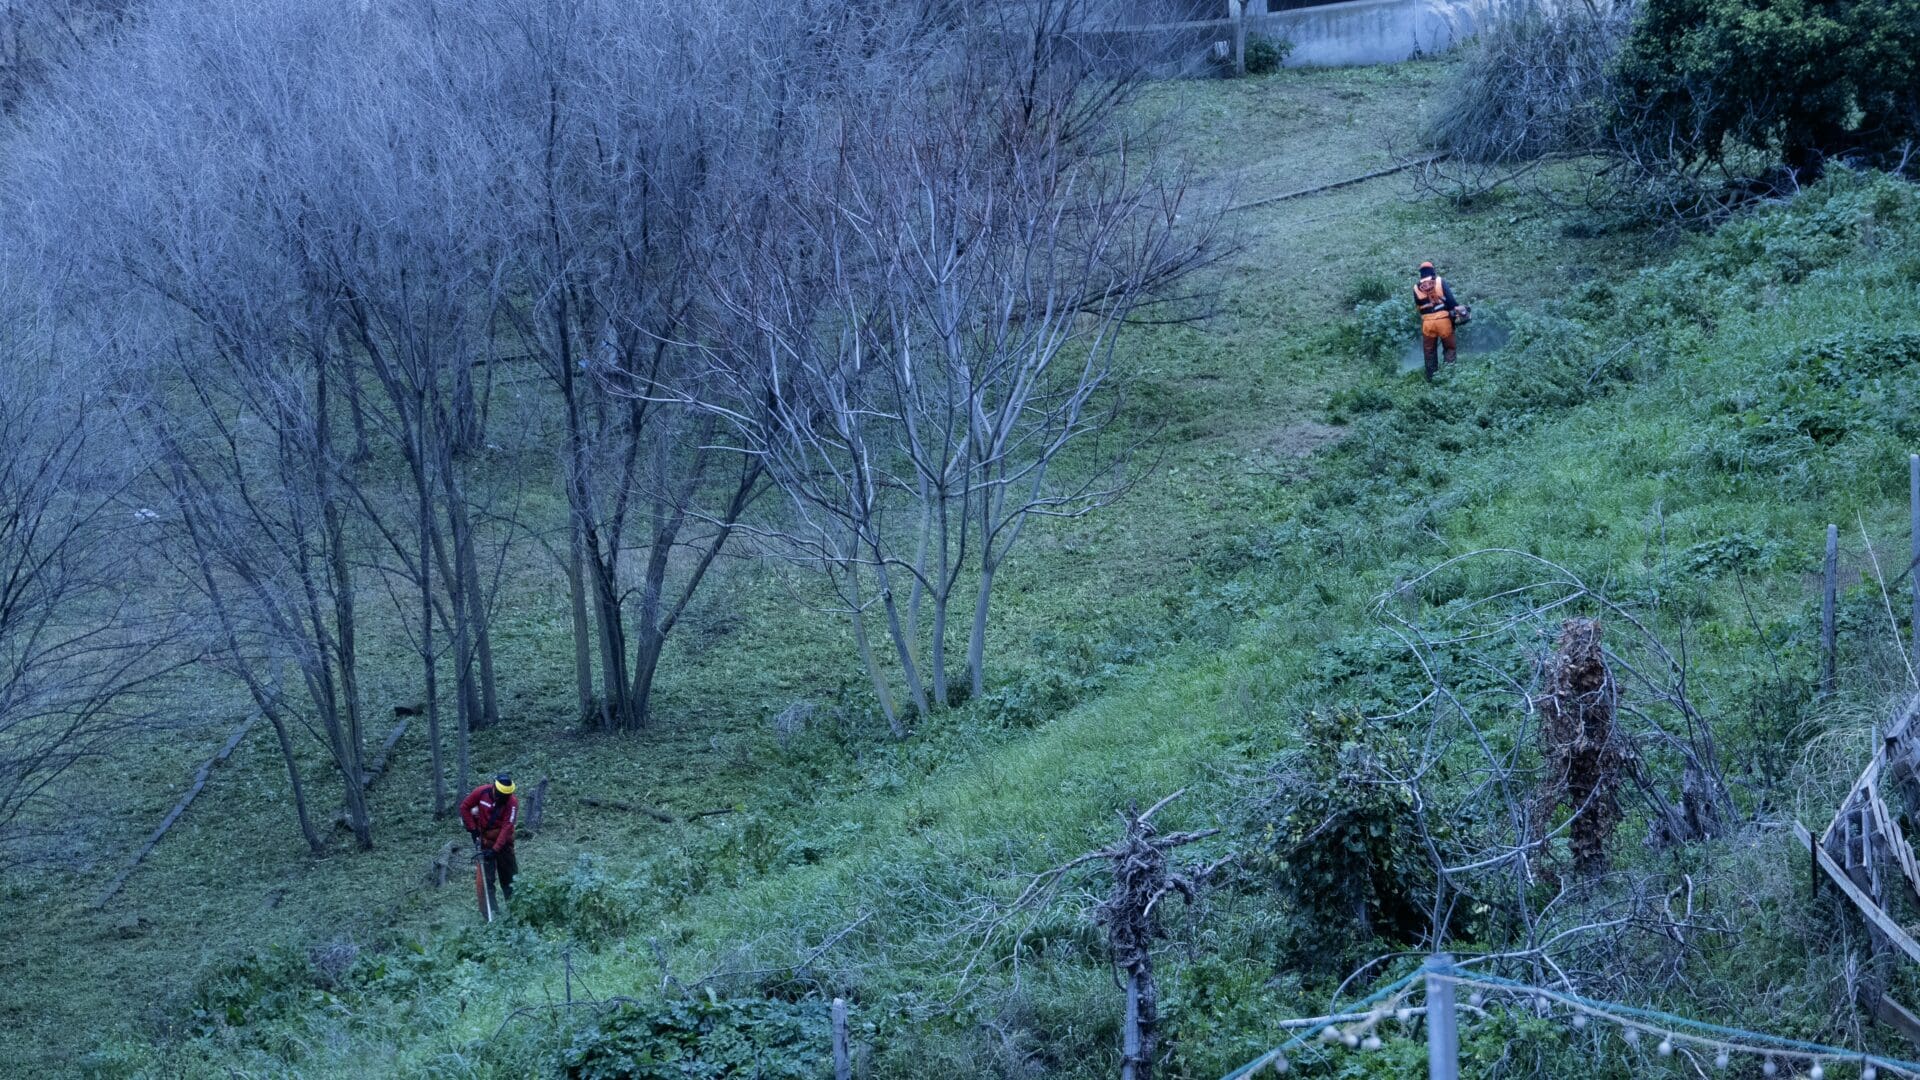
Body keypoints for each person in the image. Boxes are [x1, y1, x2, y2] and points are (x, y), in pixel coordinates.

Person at [459, 773, 519, 903]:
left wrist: (495, 849)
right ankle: (491, 914)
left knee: (510, 879)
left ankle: (515, 909)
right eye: (501, 794)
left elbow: (507, 827)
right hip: (484, 841)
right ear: (495, 789)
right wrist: (473, 829)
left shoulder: (512, 802)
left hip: (504, 844)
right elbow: (464, 807)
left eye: (506, 795)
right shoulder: (481, 792)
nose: (504, 797)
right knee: (485, 883)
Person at [1414, 260, 1461, 380]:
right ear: (1432, 270)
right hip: (1443, 322)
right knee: (1450, 348)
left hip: (1427, 324)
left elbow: (1419, 307)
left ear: (1421, 273)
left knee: (1429, 352)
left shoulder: (1416, 287)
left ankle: (1431, 378)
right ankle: (1449, 377)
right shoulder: (1440, 281)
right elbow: (1451, 301)